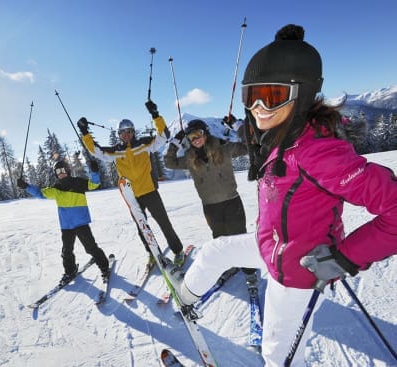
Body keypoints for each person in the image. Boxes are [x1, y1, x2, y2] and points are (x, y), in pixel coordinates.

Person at [167, 24, 397, 366]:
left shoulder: (318, 152)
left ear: (301, 94)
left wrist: (345, 258)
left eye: (272, 95)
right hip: (271, 247)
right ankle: (184, 298)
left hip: (298, 273)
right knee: (215, 251)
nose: (259, 106)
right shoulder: (282, 137)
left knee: (278, 355)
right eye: (251, 96)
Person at [77, 100, 185, 266]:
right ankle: (152, 253)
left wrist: (155, 114)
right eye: (122, 132)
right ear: (119, 134)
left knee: (164, 223)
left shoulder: (144, 145)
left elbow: (163, 135)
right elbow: (95, 150)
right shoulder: (115, 152)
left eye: (128, 131)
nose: (126, 134)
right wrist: (84, 132)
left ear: (133, 132)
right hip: (132, 197)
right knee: (142, 228)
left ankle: (178, 251)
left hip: (150, 192)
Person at [164, 118, 258, 288]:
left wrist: (238, 126)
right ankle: (228, 266)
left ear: (205, 133)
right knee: (219, 240)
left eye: (198, 134)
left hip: (231, 202)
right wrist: (175, 142)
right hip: (210, 207)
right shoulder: (189, 158)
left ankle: (250, 274)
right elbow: (169, 162)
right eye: (191, 137)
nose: (196, 139)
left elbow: (249, 146)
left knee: (240, 239)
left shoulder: (224, 148)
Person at [17, 159, 111, 285]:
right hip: (66, 225)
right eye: (58, 171)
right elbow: (40, 193)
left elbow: (94, 184)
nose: (61, 173)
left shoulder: (78, 183)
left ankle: (104, 268)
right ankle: (70, 271)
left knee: (90, 248)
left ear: (67, 170)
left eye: (62, 170)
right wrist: (26, 186)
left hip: (81, 222)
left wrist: (94, 171)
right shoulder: (57, 188)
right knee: (67, 251)